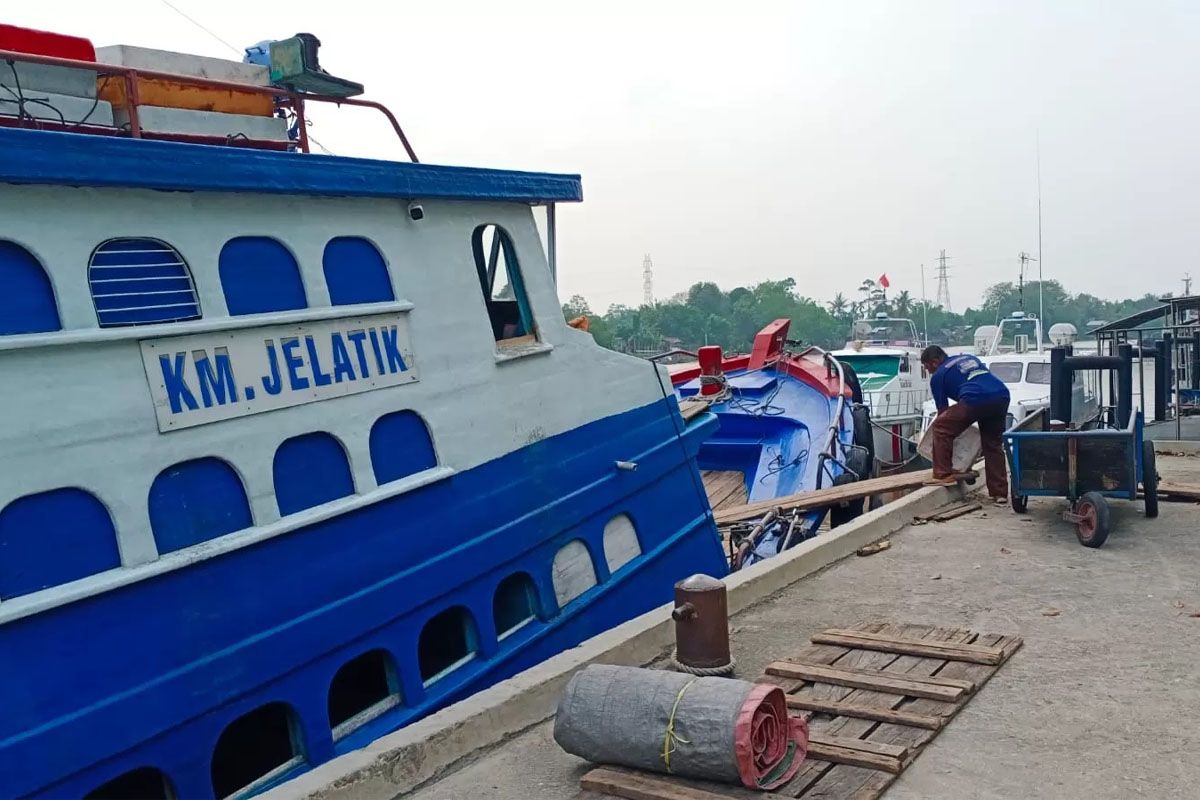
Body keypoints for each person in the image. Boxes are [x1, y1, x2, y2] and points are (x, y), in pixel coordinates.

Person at [920, 345, 1011, 504]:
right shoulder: (969, 358)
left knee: (941, 427)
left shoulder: (938, 377)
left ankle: (943, 474)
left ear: (934, 362)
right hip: (1001, 395)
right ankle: (1000, 493)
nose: (928, 372)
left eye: (927, 367)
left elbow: (942, 412)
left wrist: (951, 437)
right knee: (993, 444)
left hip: (974, 398)